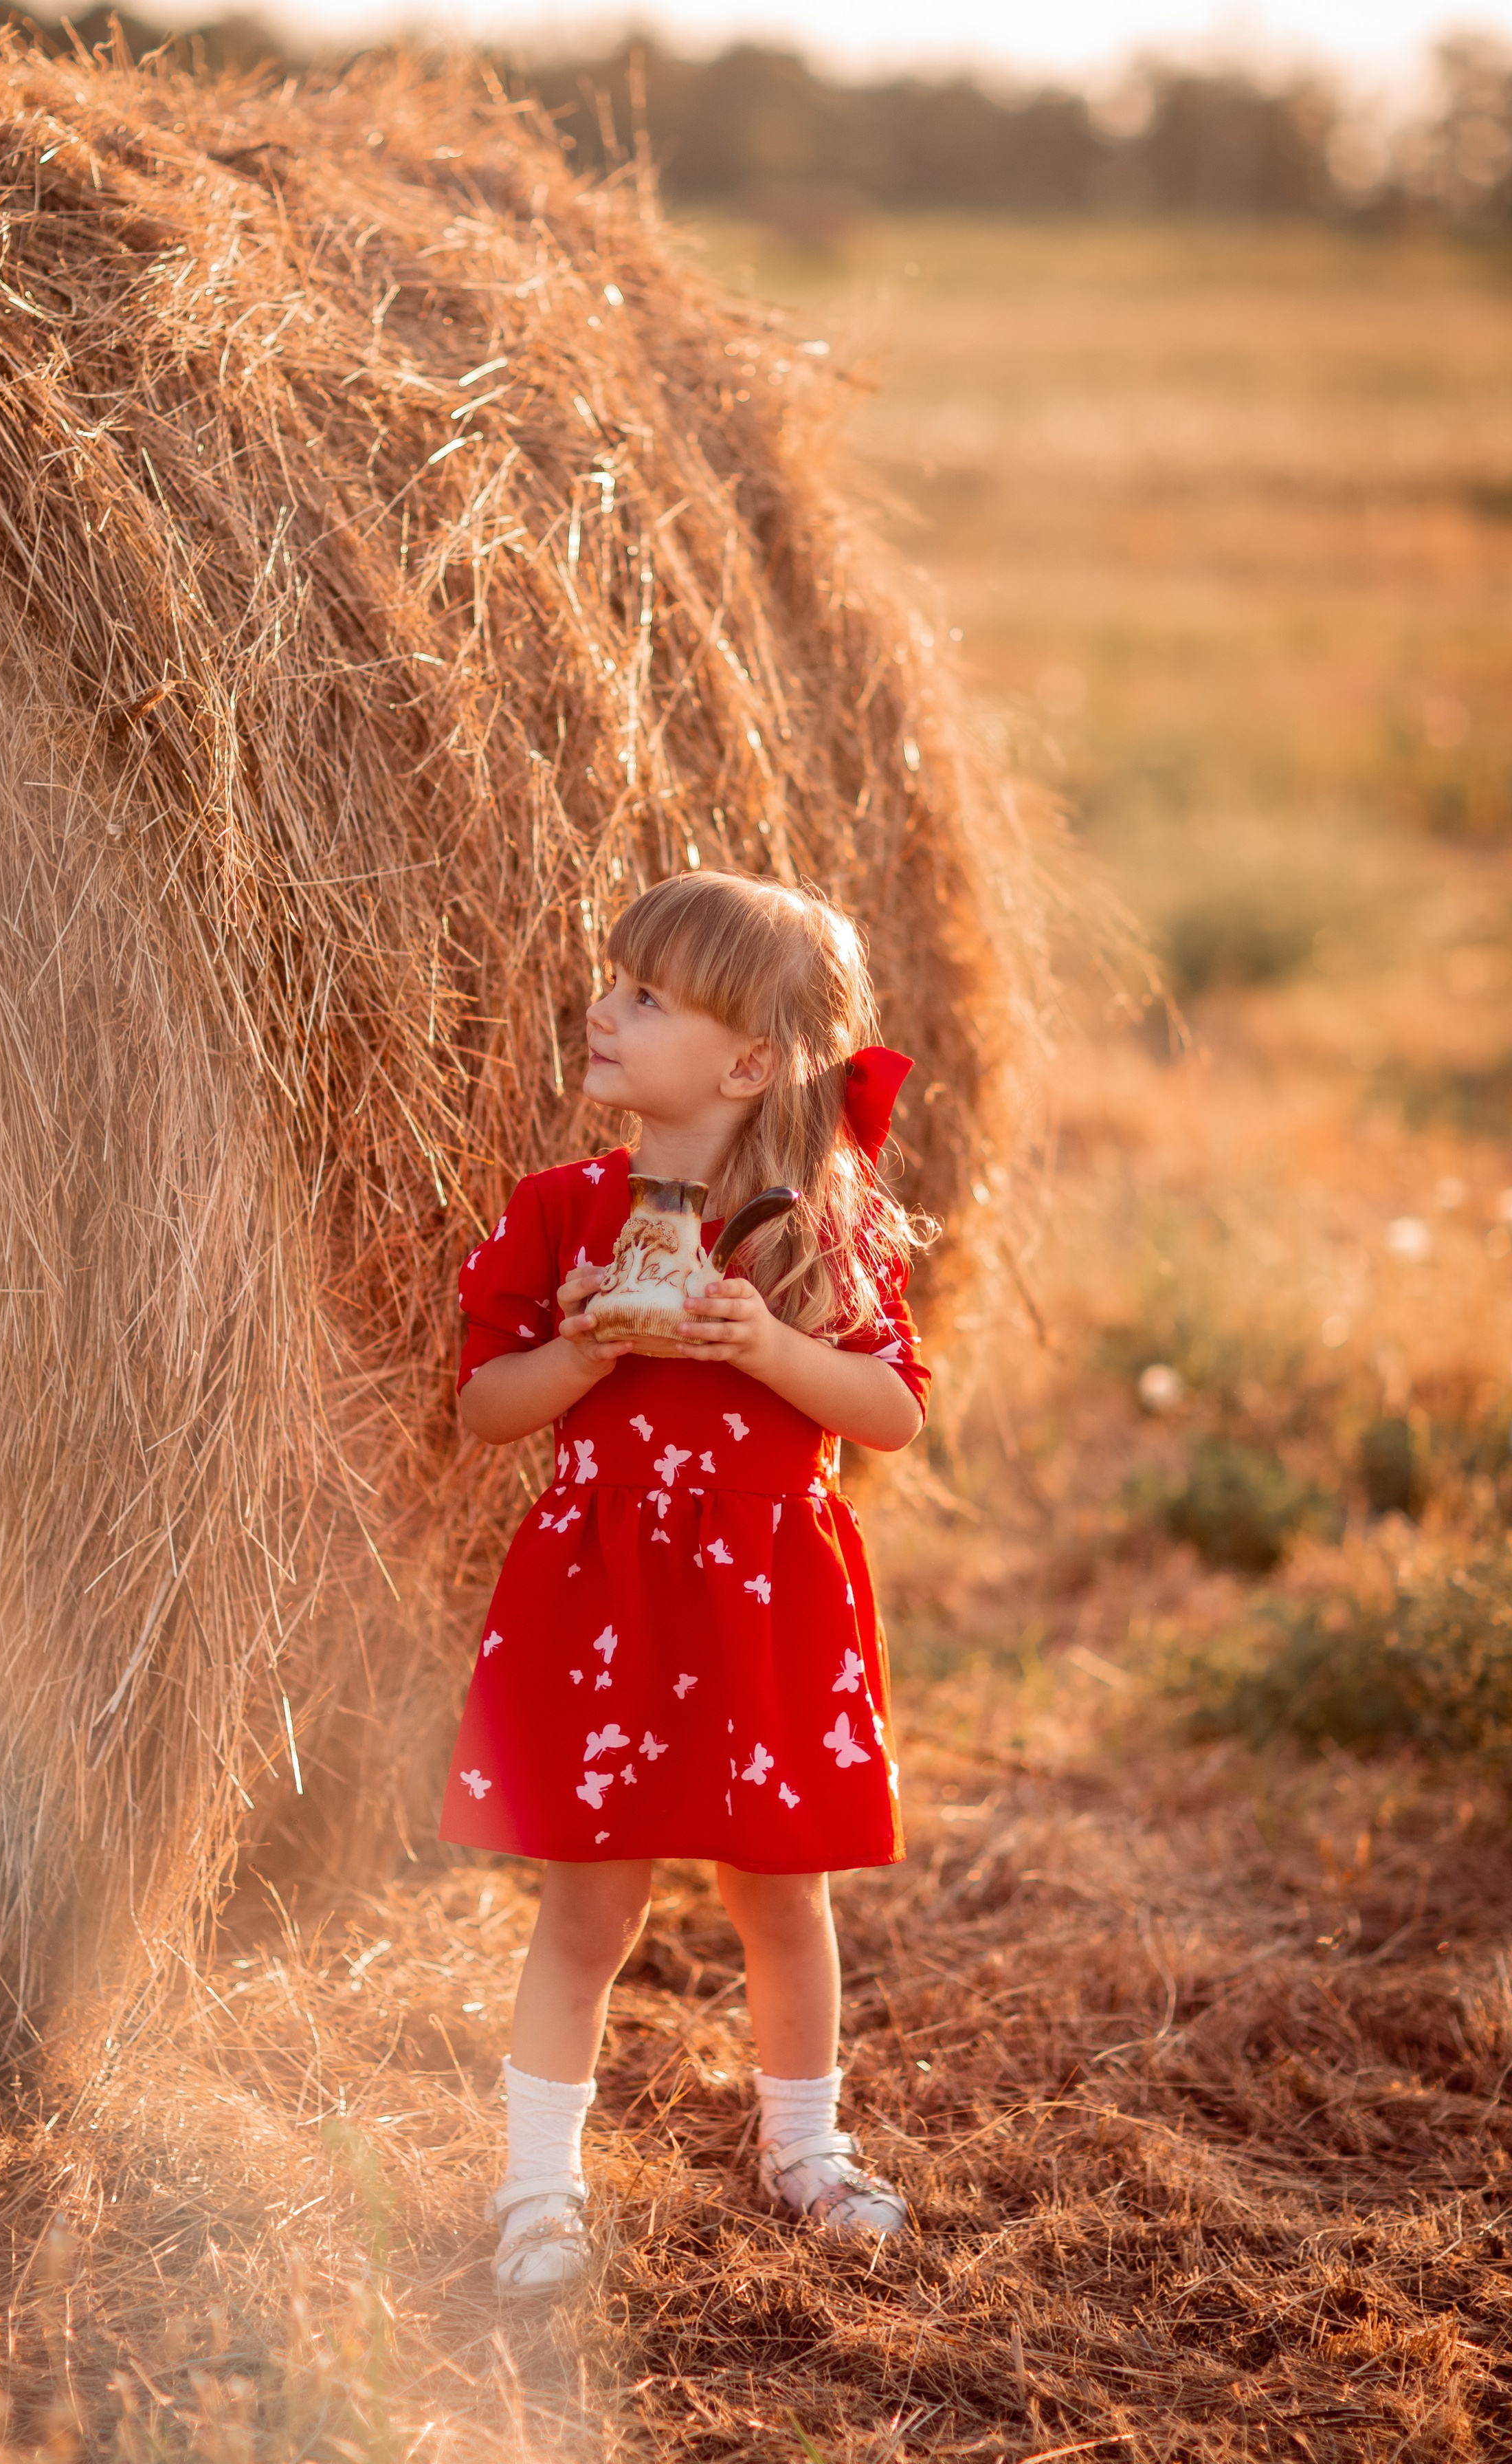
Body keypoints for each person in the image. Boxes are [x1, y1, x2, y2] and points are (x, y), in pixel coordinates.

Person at [439, 870, 931, 2296]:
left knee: (781, 1896)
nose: (604, 1008)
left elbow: (892, 1411)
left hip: (767, 1600)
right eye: (615, 980)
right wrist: (582, 1349)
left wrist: (768, 1346)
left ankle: (804, 2148)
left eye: (646, 995)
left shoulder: (820, 1221)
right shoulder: (561, 1211)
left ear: (747, 1063)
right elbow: (484, 1407)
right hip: (611, 1607)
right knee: (588, 1910)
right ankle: (538, 2186)